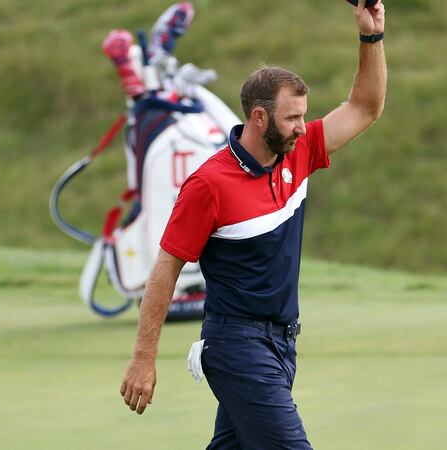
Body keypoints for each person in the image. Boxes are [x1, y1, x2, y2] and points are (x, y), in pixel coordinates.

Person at [120, 0, 386, 448]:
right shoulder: (209, 184)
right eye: (293, 118)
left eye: (304, 115)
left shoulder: (298, 153)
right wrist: (144, 358)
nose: (304, 127)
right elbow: (165, 268)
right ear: (259, 118)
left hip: (283, 343)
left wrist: (371, 35)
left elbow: (365, 107)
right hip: (237, 347)